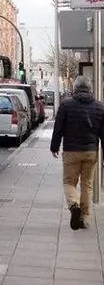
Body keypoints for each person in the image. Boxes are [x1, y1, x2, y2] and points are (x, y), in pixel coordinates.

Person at [50, 75, 104, 230]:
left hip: (71, 151)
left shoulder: (66, 105)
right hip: (90, 152)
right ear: (90, 89)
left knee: (69, 182)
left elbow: (58, 128)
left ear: (75, 89)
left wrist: (54, 147)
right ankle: (84, 217)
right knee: (87, 184)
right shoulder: (100, 107)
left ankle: (74, 206)